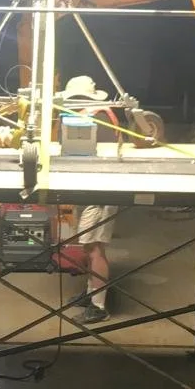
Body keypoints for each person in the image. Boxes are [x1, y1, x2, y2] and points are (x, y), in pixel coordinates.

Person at [57, 75, 121, 324]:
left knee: (95, 247)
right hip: (90, 186)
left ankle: (99, 306)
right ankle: (91, 292)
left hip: (103, 189)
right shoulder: (88, 113)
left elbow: (89, 151)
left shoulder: (99, 116)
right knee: (88, 245)